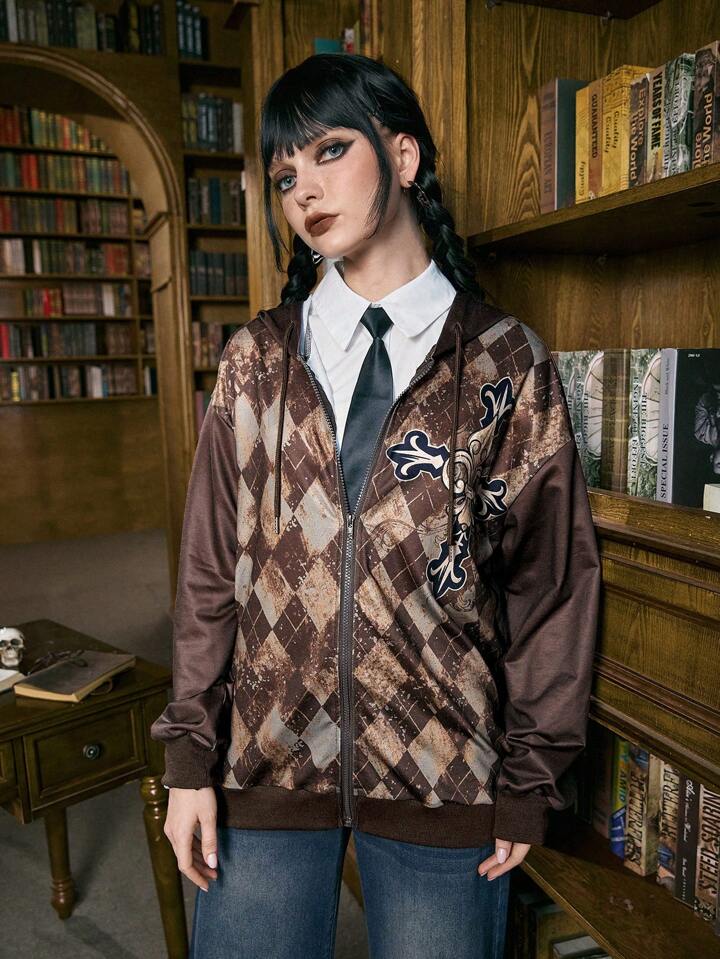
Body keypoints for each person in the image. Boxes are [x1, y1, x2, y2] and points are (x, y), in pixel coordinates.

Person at [150, 52, 602, 959]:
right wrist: (190, 756)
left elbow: (552, 587)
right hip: (266, 764)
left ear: (403, 155)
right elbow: (208, 573)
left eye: (329, 152)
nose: (306, 191)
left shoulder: (507, 362)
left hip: (446, 773)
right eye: (286, 176)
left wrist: (529, 778)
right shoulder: (255, 361)